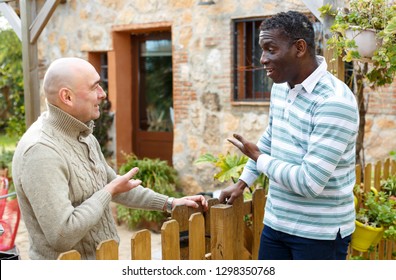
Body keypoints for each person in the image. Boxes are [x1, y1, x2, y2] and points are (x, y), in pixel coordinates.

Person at [12, 57, 208, 260]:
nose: (102, 94)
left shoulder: (82, 134)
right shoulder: (40, 152)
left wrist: (170, 203)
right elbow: (62, 234)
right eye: (94, 87)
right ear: (67, 97)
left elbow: (115, 185)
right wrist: (107, 192)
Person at [219, 11, 359, 260]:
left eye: (270, 49)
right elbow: (272, 138)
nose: (262, 59)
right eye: (262, 50)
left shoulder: (334, 102)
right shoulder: (281, 89)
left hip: (319, 234)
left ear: (300, 48)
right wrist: (242, 183)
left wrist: (258, 158)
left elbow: (310, 183)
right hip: (276, 223)